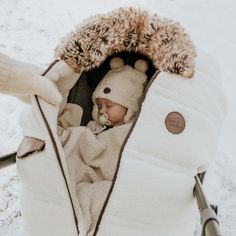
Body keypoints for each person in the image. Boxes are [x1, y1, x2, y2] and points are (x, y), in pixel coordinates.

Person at [75, 57, 149, 235]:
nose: (102, 111)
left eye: (109, 105)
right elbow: (83, 144)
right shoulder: (94, 127)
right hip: (94, 178)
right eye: (99, 105)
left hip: (118, 179)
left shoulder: (132, 130)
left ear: (129, 107)